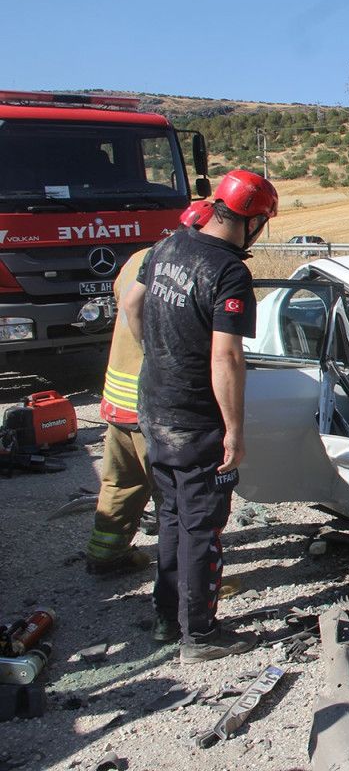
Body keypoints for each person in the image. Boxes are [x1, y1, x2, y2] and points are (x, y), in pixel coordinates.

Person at [122, 170, 276, 663]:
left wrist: (158, 354)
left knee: (172, 516)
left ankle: (167, 619)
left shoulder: (166, 246)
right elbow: (226, 357)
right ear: (253, 222)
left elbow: (131, 303)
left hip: (155, 407)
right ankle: (201, 636)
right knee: (202, 527)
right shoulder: (228, 272)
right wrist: (234, 429)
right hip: (194, 419)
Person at [85, 202, 215, 576]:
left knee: (120, 482)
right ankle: (186, 578)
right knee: (175, 495)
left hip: (118, 397)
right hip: (154, 402)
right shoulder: (195, 267)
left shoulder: (140, 259)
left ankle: (105, 555)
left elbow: (124, 303)